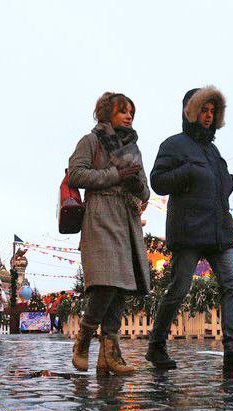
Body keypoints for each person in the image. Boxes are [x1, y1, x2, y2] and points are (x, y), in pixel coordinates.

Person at [147, 86, 233, 374]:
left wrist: (228, 184)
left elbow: (219, 185)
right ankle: (157, 345)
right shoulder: (173, 145)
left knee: (231, 285)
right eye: (204, 110)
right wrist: (186, 172)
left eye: (213, 112)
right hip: (188, 230)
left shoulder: (212, 150)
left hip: (219, 230)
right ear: (191, 112)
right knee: (179, 288)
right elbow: (158, 181)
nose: (209, 116)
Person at [68, 92, 151, 375]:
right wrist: (116, 175)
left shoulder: (134, 149)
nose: (128, 116)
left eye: (131, 112)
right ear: (107, 113)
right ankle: (84, 338)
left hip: (126, 215)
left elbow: (145, 190)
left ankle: (110, 354)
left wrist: (137, 183)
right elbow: (76, 175)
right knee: (106, 280)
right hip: (100, 213)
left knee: (122, 285)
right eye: (123, 111)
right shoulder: (91, 140)